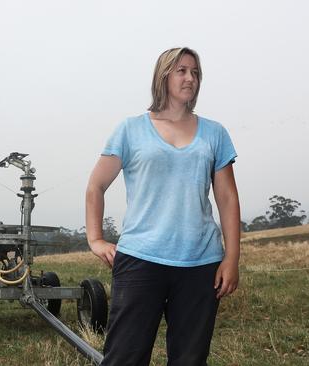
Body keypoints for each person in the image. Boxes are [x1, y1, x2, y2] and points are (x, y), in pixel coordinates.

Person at [85, 47, 240, 366]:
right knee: (125, 357)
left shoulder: (215, 133)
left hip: (200, 264)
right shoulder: (130, 129)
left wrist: (231, 258)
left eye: (195, 72)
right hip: (140, 260)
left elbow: (227, 199)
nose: (190, 78)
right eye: (182, 70)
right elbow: (95, 186)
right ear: (163, 75)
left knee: (190, 359)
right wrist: (95, 239)